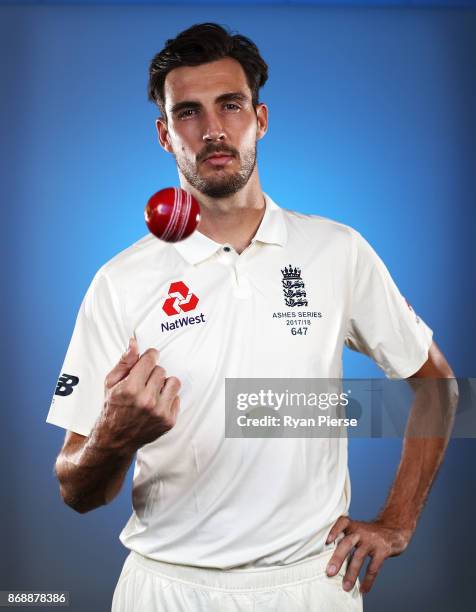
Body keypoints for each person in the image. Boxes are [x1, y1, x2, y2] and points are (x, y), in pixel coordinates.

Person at [47, 22, 456, 612]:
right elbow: (75, 489)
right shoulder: (120, 282)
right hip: (165, 589)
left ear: (260, 119)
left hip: (311, 585)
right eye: (188, 112)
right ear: (165, 136)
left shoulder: (337, 251)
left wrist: (398, 522)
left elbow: (436, 387)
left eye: (230, 105)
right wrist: (113, 439)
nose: (212, 129)